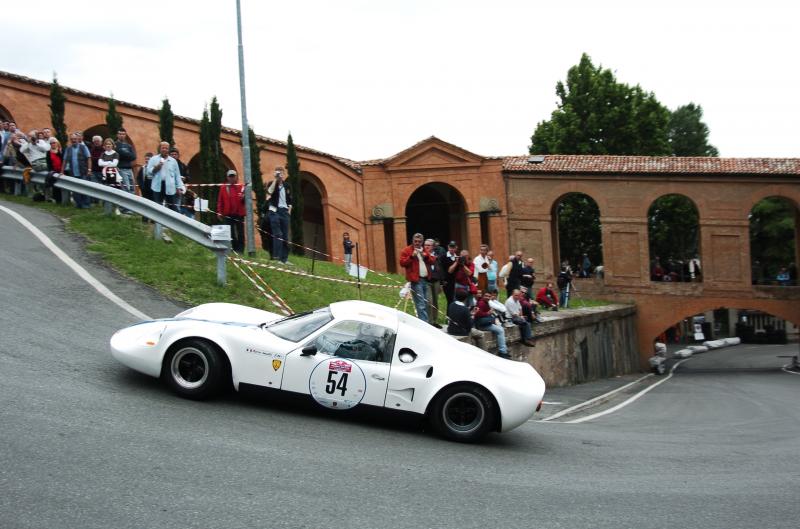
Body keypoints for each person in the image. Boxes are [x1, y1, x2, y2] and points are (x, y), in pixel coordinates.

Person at [399, 232, 436, 323]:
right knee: (421, 304)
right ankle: (424, 324)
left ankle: (425, 322)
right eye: (415, 241)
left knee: (428, 303)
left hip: (426, 280)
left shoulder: (424, 250)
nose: (417, 243)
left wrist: (425, 256)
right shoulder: (407, 250)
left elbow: (432, 261)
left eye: (419, 241)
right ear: (412, 241)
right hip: (416, 280)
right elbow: (402, 263)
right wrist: (412, 256)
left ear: (422, 242)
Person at [147, 141, 184, 211]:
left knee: (172, 207)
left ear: (169, 150)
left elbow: (177, 175)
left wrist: (179, 187)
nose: (164, 150)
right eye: (163, 148)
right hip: (157, 186)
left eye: (166, 148)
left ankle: (173, 221)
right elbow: (148, 172)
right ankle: (157, 221)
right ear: (159, 149)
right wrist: (157, 167)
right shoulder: (153, 159)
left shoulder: (173, 161)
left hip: (170, 186)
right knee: (157, 206)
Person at [265, 166, 293, 263]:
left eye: (281, 173)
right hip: (274, 211)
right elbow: (269, 192)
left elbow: (290, 200)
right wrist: (275, 180)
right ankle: (276, 257)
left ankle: (284, 259)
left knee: (285, 236)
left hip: (284, 212)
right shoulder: (271, 184)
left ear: (284, 174)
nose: (280, 175)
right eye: (278, 173)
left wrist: (289, 210)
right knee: (278, 234)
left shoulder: (287, 186)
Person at [217, 169, 246, 253]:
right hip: (228, 213)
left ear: (236, 177)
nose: (232, 178)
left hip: (239, 213)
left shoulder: (241, 186)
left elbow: (246, 200)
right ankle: (235, 248)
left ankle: (241, 250)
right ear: (227, 177)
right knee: (231, 233)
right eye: (230, 176)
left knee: (241, 232)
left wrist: (243, 197)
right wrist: (219, 212)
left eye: (233, 176)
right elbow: (220, 201)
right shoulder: (223, 187)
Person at [474, 291, 509, 358]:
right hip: (482, 325)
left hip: (485, 323)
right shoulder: (481, 303)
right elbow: (477, 313)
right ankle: (502, 352)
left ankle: (504, 350)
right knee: (500, 330)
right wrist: (488, 313)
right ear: (483, 296)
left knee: (500, 328)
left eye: (489, 296)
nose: (487, 297)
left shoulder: (485, 302)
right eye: (486, 296)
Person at [62, 132, 92, 209]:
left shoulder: (83, 147)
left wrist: (89, 169)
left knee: (84, 188)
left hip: (83, 171)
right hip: (73, 173)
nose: (73, 140)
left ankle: (86, 205)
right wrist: (61, 172)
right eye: (72, 139)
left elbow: (89, 158)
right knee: (75, 190)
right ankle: (78, 204)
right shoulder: (68, 149)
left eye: (75, 139)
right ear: (70, 140)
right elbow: (64, 161)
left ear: (78, 139)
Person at [424, 238, 443, 328]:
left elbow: (440, 268)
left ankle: (434, 321)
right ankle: (429, 322)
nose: (426, 247)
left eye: (428, 245)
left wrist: (442, 282)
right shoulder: (423, 255)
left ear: (433, 246)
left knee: (435, 302)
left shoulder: (437, 255)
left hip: (436, 281)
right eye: (425, 245)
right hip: (427, 281)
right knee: (429, 301)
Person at [115, 128, 136, 196]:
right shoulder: (115, 145)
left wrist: (123, 153)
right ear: (117, 135)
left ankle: (131, 205)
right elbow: (118, 154)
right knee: (126, 188)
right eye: (120, 134)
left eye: (123, 134)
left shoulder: (128, 146)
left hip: (130, 169)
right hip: (121, 169)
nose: (122, 135)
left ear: (125, 135)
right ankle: (124, 206)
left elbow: (133, 157)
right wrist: (127, 154)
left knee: (132, 188)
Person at [439, 241, 460, 306]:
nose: (452, 249)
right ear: (448, 247)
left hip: (456, 282)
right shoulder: (443, 257)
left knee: (455, 300)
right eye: (451, 247)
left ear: (456, 248)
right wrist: (456, 262)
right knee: (449, 300)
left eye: (453, 247)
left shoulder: (458, 257)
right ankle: (449, 315)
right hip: (446, 282)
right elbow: (449, 271)